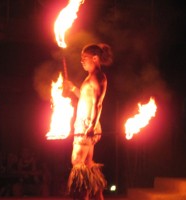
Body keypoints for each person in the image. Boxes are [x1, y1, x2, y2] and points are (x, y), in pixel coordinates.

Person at [66, 43, 113, 200]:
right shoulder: (91, 77)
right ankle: (97, 196)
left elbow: (97, 104)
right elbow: (86, 99)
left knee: (77, 162)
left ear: (95, 58)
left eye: (84, 58)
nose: (82, 61)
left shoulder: (98, 77)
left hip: (87, 125)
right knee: (87, 163)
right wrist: (73, 89)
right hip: (86, 123)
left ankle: (81, 196)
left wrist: (91, 125)